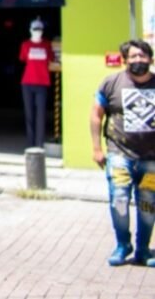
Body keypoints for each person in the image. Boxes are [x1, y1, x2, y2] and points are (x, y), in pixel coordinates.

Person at [91, 39, 155, 267]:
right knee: (118, 200)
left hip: (151, 160)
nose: (138, 60)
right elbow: (96, 115)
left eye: (143, 56)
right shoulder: (111, 83)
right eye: (134, 56)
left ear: (151, 59)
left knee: (148, 206)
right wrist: (97, 148)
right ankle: (122, 244)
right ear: (125, 59)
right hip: (119, 154)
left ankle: (143, 250)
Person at [19, 18, 53, 148]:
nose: (37, 32)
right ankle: (30, 143)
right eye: (35, 29)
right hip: (27, 82)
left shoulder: (47, 45)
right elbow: (23, 58)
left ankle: (39, 143)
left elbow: (51, 58)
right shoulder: (25, 45)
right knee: (29, 114)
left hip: (42, 83)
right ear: (30, 30)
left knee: (41, 114)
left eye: (39, 29)